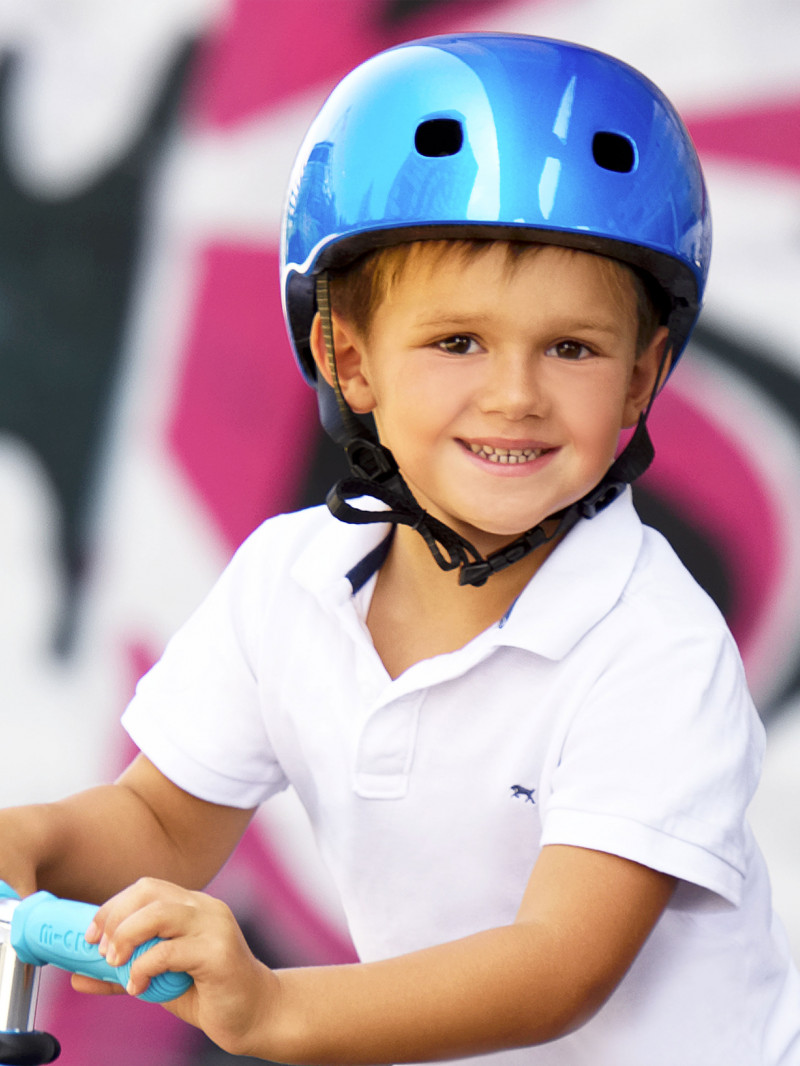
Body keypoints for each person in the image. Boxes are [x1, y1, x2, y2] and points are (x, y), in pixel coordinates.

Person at [2, 32, 799, 1066]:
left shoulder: (653, 648)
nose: (514, 393)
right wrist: (33, 843)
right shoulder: (287, 586)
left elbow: (559, 962)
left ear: (642, 377)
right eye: (456, 340)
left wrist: (278, 1008)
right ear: (347, 356)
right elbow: (158, 819)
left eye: (571, 347)